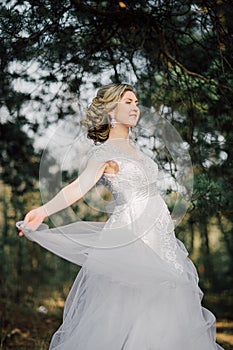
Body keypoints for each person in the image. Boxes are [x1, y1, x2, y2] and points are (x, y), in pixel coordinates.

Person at [17, 83, 224, 349]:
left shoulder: (136, 149)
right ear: (111, 110)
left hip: (160, 237)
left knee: (167, 302)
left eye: (136, 102)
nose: (135, 107)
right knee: (131, 302)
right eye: (128, 102)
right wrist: (42, 211)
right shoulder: (105, 152)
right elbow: (78, 187)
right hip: (132, 234)